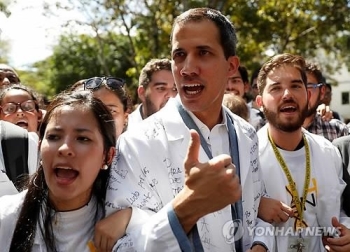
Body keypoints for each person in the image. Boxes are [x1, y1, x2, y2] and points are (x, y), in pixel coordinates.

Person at [101, 7, 273, 252]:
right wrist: (187, 208)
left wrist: (260, 244)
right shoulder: (136, 143)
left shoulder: (246, 135)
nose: (187, 68)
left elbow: (257, 211)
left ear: (231, 65)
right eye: (179, 54)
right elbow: (122, 246)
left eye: (203, 52)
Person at [255, 53, 350, 251]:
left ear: (307, 96)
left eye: (296, 86)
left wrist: (347, 232)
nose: (287, 94)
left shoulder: (328, 152)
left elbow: (340, 211)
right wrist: (255, 206)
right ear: (260, 102)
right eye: (276, 88)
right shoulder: (248, 156)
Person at [0, 90, 116, 251]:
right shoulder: (5, 217)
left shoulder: (123, 232)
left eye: (83, 138)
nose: (64, 149)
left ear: (108, 156)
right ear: (39, 146)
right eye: (54, 137)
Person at [302, 62, 348, 142]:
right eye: (296, 86)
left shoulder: (338, 131)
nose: (304, 93)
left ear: (322, 92)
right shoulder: (278, 132)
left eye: (309, 86)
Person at [127, 58, 177, 127]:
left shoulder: (188, 127)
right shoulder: (124, 130)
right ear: (142, 93)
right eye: (161, 88)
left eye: (175, 89)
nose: (171, 96)